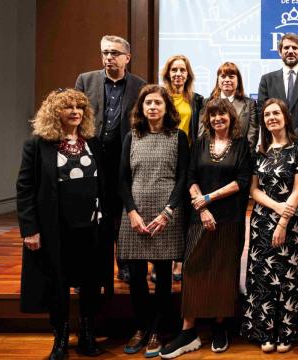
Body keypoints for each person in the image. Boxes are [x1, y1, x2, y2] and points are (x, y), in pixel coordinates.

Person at [16, 88, 109, 360]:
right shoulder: (38, 144)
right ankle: (60, 336)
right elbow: (24, 188)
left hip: (91, 226)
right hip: (56, 229)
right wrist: (30, 229)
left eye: (80, 107)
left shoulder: (92, 141)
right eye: (68, 107)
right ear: (55, 112)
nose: (75, 112)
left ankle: (87, 333)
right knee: (58, 283)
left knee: (91, 282)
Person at [159, 99, 252, 358]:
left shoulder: (242, 145)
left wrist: (209, 199)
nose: (217, 119)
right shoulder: (199, 144)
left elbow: (241, 181)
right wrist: (202, 207)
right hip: (200, 217)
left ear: (231, 117)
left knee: (224, 271)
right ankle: (188, 330)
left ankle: (220, 327)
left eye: (222, 114)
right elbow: (190, 178)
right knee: (193, 269)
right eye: (212, 115)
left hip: (230, 218)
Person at [117, 85, 189, 358]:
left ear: (166, 107)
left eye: (158, 103)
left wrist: (167, 212)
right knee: (135, 276)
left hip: (166, 215)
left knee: (162, 277)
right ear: (142, 108)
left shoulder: (178, 137)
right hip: (134, 214)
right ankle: (141, 326)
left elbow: (182, 178)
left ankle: (157, 330)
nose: (153, 108)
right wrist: (132, 212)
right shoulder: (132, 137)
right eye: (148, 103)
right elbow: (122, 180)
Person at [75, 35, 146, 284]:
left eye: (115, 53)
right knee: (96, 213)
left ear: (127, 57)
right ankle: (96, 267)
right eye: (105, 52)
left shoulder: (140, 85)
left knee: (123, 214)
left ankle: (124, 265)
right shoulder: (86, 80)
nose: (109, 58)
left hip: (125, 157)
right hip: (92, 158)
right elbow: (77, 116)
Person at [240, 99, 298, 353]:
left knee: (285, 279)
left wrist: (282, 219)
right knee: (262, 279)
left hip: (289, 223)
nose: (271, 117)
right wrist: (275, 207)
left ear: (285, 116)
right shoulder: (261, 151)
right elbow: (253, 190)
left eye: (275, 113)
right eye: (267, 114)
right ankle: (265, 332)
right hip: (261, 222)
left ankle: (286, 334)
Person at [257, 33, 298, 277]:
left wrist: (292, 136)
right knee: (273, 200)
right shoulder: (267, 79)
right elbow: (263, 111)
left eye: (295, 47)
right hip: (272, 150)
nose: (290, 51)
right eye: (286, 47)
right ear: (279, 51)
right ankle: (271, 250)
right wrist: (280, 134)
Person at [160, 54, 204, 282]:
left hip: (187, 159)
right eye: (174, 70)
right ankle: (162, 263)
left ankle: (180, 261)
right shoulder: (159, 97)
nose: (178, 74)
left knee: (185, 211)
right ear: (167, 74)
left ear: (188, 74)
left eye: (182, 70)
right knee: (166, 207)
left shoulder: (196, 100)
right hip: (164, 158)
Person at [199, 62, 259, 151]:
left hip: (240, 155)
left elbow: (252, 136)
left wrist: (245, 156)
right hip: (212, 155)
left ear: (238, 80)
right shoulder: (206, 102)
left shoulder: (250, 103)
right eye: (223, 76)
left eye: (231, 77)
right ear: (218, 80)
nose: (227, 80)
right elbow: (202, 133)